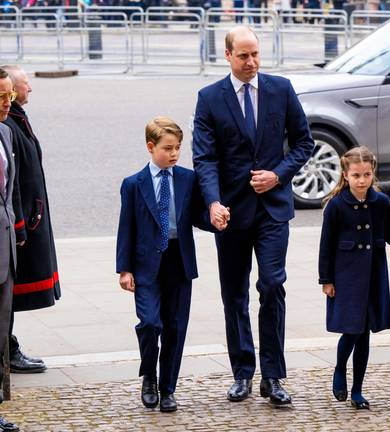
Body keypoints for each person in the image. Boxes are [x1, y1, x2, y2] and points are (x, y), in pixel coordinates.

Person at [192, 26, 313, 406]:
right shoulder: (210, 98)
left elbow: (304, 143)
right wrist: (212, 203)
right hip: (229, 212)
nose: (251, 62)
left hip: (273, 209)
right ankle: (243, 373)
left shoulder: (281, 89)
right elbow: (205, 158)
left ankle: (273, 376)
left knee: (273, 286)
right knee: (234, 295)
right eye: (243, 56)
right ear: (227, 56)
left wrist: (278, 173)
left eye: (255, 54)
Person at [116, 117, 213, 413]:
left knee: (175, 327)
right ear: (150, 147)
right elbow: (126, 228)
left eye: (178, 148)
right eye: (167, 148)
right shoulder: (134, 184)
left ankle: (168, 388)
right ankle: (149, 376)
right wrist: (124, 268)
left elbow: (198, 215)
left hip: (178, 261)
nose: (174, 154)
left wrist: (216, 220)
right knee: (150, 323)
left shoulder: (187, 178)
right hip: (147, 265)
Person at [318, 146, 390, 410]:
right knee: (351, 330)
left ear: (373, 174)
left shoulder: (382, 202)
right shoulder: (336, 206)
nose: (362, 180)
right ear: (345, 175)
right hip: (346, 277)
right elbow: (325, 246)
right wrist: (326, 280)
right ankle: (340, 369)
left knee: (364, 335)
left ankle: (358, 390)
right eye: (356, 175)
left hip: (373, 275)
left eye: (367, 174)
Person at [1, 64, 59, 375]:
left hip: (21, 219)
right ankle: (6, 350)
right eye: (24, 84)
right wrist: (21, 223)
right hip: (14, 222)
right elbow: (12, 182)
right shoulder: (8, 124)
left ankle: (7, 347)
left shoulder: (14, 120)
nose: (27, 90)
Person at [0, 68, 22, 432]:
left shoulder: (5, 131)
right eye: (1, 97)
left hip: (4, 252)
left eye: (9, 97)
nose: (7, 104)